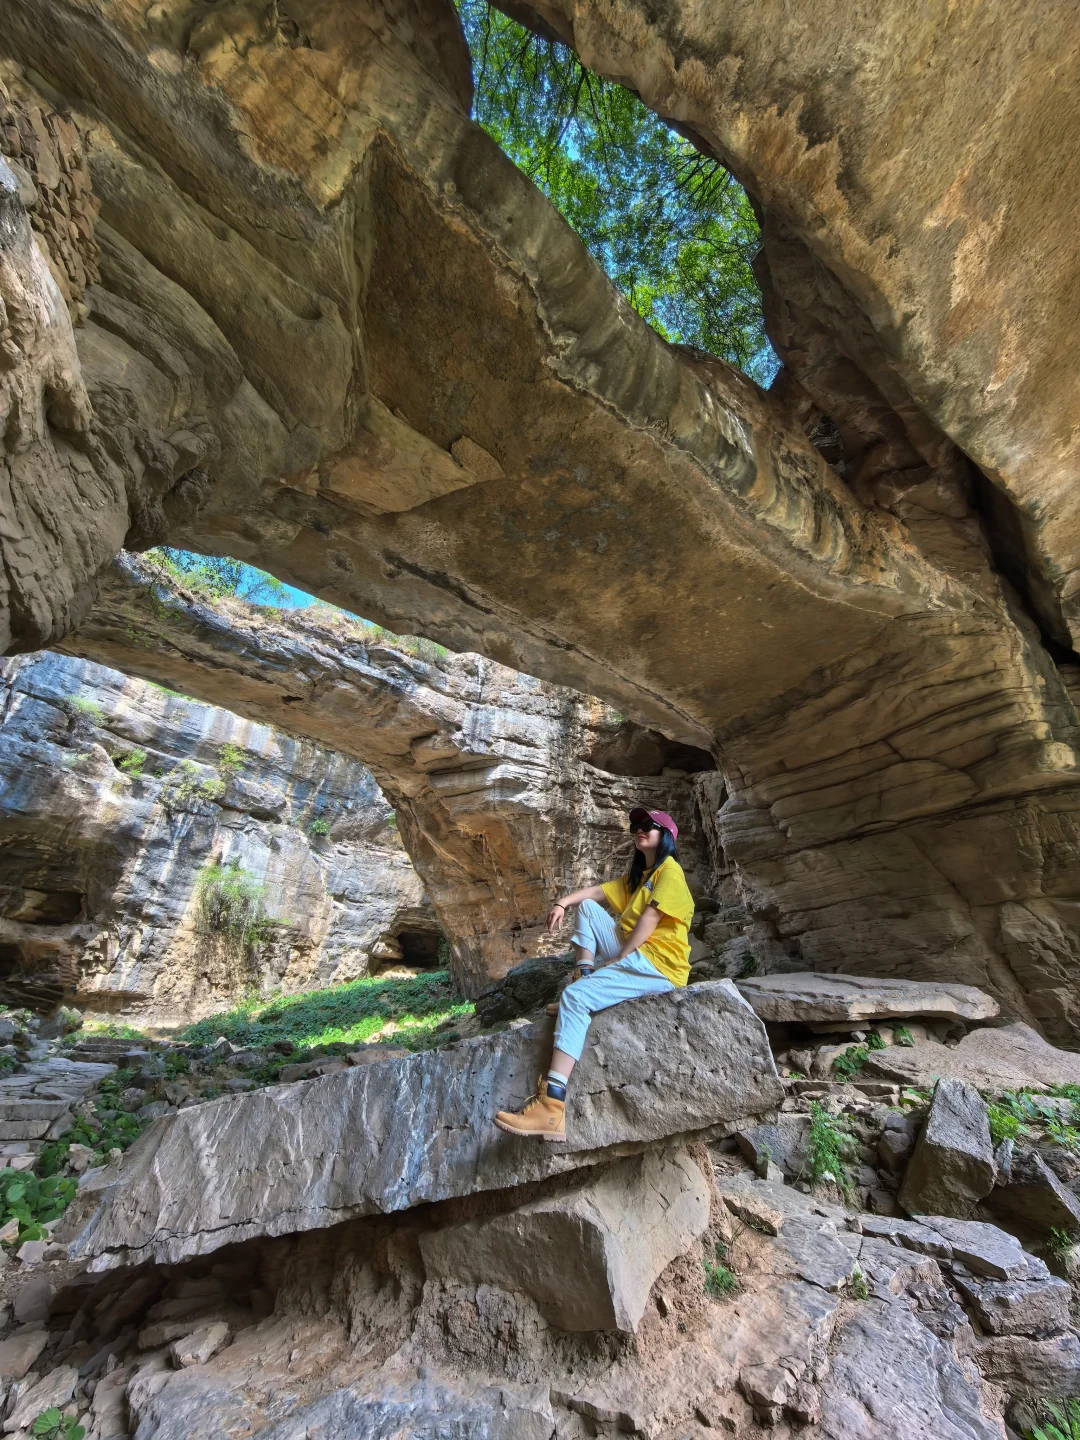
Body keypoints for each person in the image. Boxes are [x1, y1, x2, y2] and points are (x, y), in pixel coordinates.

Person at [494, 806, 694, 1142]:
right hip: (639, 954)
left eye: (648, 825)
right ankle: (585, 978)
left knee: (575, 998)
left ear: (666, 836)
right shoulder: (641, 877)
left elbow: (649, 921)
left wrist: (619, 961)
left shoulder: (670, 871)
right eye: (635, 825)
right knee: (586, 907)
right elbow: (596, 894)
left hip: (659, 964)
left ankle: (551, 1109)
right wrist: (561, 902)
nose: (639, 829)